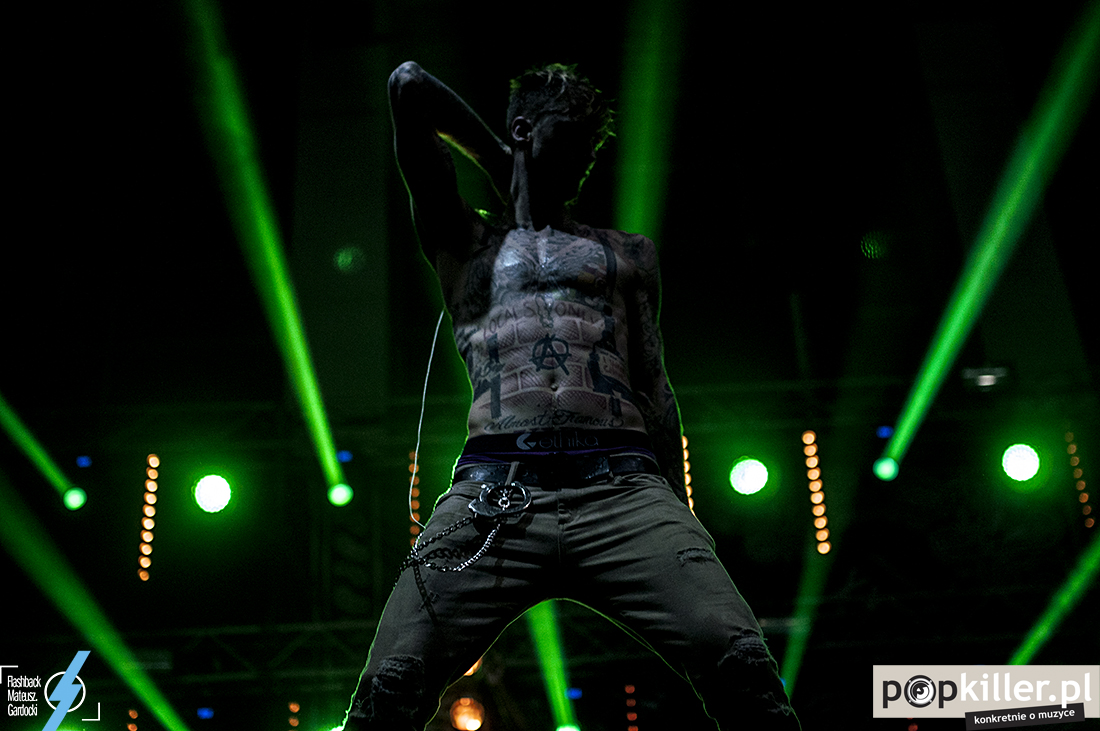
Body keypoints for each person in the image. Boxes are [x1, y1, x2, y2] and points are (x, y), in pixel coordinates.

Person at [342, 60, 800, 730]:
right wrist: (504, 165)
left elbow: (654, 386)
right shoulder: (466, 239)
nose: (585, 156)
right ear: (524, 130)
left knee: (745, 669)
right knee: (388, 688)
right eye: (572, 135)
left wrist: (677, 512)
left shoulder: (627, 253)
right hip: (495, 494)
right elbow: (408, 85)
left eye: (591, 145)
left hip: (624, 488)